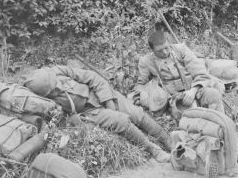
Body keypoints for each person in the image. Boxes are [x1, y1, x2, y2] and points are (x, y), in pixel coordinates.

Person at [24, 65, 170, 162]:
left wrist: (108, 100)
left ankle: (167, 140)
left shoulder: (59, 71)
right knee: (120, 121)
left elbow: (92, 77)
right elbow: (60, 121)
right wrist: (77, 120)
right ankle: (154, 150)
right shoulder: (43, 100)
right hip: (90, 112)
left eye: (55, 84)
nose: (57, 88)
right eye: (52, 90)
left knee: (136, 113)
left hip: (101, 94)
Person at [137, 27, 226, 113]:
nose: (164, 52)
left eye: (166, 48)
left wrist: (193, 91)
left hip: (196, 89)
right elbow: (141, 84)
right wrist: (151, 96)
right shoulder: (146, 62)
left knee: (214, 95)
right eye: (159, 51)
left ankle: (222, 124)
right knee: (189, 113)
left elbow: (200, 73)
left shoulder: (181, 50)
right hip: (176, 99)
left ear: (168, 43)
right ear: (152, 50)